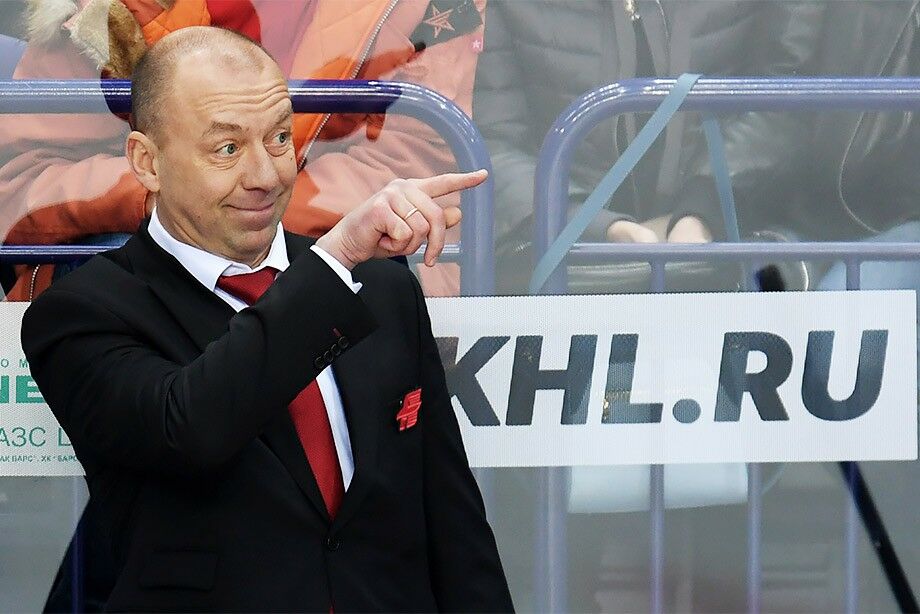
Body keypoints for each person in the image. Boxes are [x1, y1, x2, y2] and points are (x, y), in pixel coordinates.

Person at [21, 26, 513, 612]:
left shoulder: (380, 287)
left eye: (279, 138)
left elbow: (453, 520)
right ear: (147, 162)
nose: (266, 175)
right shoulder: (80, 312)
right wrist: (335, 258)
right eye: (227, 149)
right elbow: (190, 429)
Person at [1, 0, 486, 300]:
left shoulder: (422, 5)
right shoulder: (104, 9)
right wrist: (167, 199)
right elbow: (24, 183)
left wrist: (246, 211)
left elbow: (416, 164)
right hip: (146, 265)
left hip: (335, 253)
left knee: (377, 276)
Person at [474, 0, 826, 292]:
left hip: (734, 237)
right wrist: (600, 228)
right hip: (567, 259)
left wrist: (702, 213)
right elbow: (492, 143)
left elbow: (787, 97)